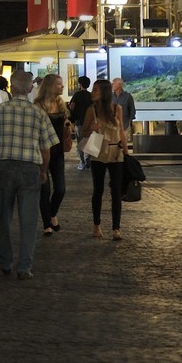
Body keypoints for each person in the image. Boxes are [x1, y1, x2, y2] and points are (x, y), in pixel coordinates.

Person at [0, 71, 58, 280]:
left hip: (4, 168)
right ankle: (24, 267)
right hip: (30, 168)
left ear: (11, 88)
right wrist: (43, 170)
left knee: (3, 216)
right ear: (31, 88)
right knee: (29, 220)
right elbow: (46, 148)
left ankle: (5, 262)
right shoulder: (38, 113)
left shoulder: (1, 110)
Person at [79, 78, 127, 240]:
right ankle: (97, 225)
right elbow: (83, 132)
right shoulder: (91, 110)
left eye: (96, 90)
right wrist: (91, 129)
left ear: (104, 93)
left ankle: (116, 228)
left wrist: (126, 152)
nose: (92, 93)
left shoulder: (116, 109)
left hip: (115, 152)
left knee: (116, 191)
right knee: (98, 190)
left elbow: (121, 132)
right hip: (98, 152)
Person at [32, 73, 70, 234]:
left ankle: (52, 213)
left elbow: (67, 124)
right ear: (50, 86)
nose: (62, 87)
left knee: (60, 189)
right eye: (59, 84)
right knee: (44, 189)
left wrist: (68, 127)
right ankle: (47, 223)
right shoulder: (39, 105)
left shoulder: (61, 104)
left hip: (58, 151)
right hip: (42, 150)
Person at [67, 76, 94, 170]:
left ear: (80, 84)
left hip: (79, 122)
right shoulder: (91, 95)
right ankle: (88, 159)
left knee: (80, 142)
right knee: (90, 141)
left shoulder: (77, 95)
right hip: (90, 123)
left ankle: (82, 162)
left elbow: (72, 107)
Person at [111, 76, 137, 145]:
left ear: (119, 85)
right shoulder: (110, 96)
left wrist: (130, 122)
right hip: (112, 126)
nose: (112, 85)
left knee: (123, 144)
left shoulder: (128, 96)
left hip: (124, 125)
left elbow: (132, 109)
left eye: (114, 84)